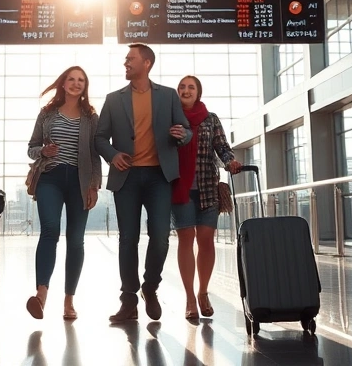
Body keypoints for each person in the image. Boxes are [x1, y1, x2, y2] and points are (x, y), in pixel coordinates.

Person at [95, 44, 192, 323]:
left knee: (160, 237)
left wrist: (180, 134)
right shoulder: (114, 99)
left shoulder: (169, 96)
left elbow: (185, 129)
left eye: (130, 59)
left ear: (146, 63)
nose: (125, 62)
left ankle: (150, 286)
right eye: (126, 59)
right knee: (128, 240)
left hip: (159, 177)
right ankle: (128, 299)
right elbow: (100, 138)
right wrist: (113, 155)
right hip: (127, 178)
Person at [25, 66, 102, 321]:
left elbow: (95, 154)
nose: (76, 83)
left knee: (76, 239)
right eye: (71, 79)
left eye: (81, 80)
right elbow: (32, 147)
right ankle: (41, 295)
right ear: (63, 83)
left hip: (80, 182)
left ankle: (69, 301)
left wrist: (94, 185)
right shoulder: (47, 114)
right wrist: (42, 152)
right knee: (49, 230)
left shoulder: (91, 117)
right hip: (51, 178)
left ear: (85, 86)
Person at [173, 76, 242, 320]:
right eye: (182, 87)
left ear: (198, 92)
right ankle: (190, 298)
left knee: (206, 240)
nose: (186, 90)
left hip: (207, 187)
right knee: (186, 239)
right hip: (180, 188)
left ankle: (203, 292)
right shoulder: (171, 118)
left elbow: (222, 146)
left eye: (191, 87)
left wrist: (230, 161)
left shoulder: (210, 118)